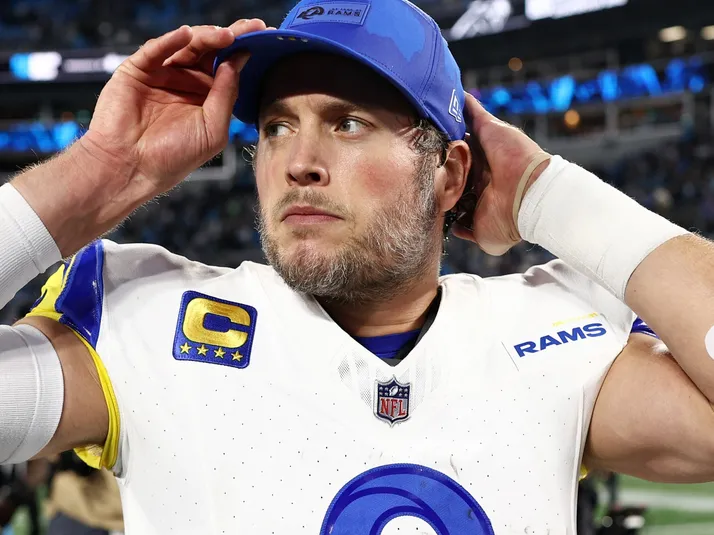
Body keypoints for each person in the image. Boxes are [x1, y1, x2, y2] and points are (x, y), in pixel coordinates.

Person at [0, 0, 713, 532]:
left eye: (347, 123)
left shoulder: (548, 333)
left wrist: (544, 194)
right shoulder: (149, 321)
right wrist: (99, 175)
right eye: (277, 126)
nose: (299, 163)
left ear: (449, 174)